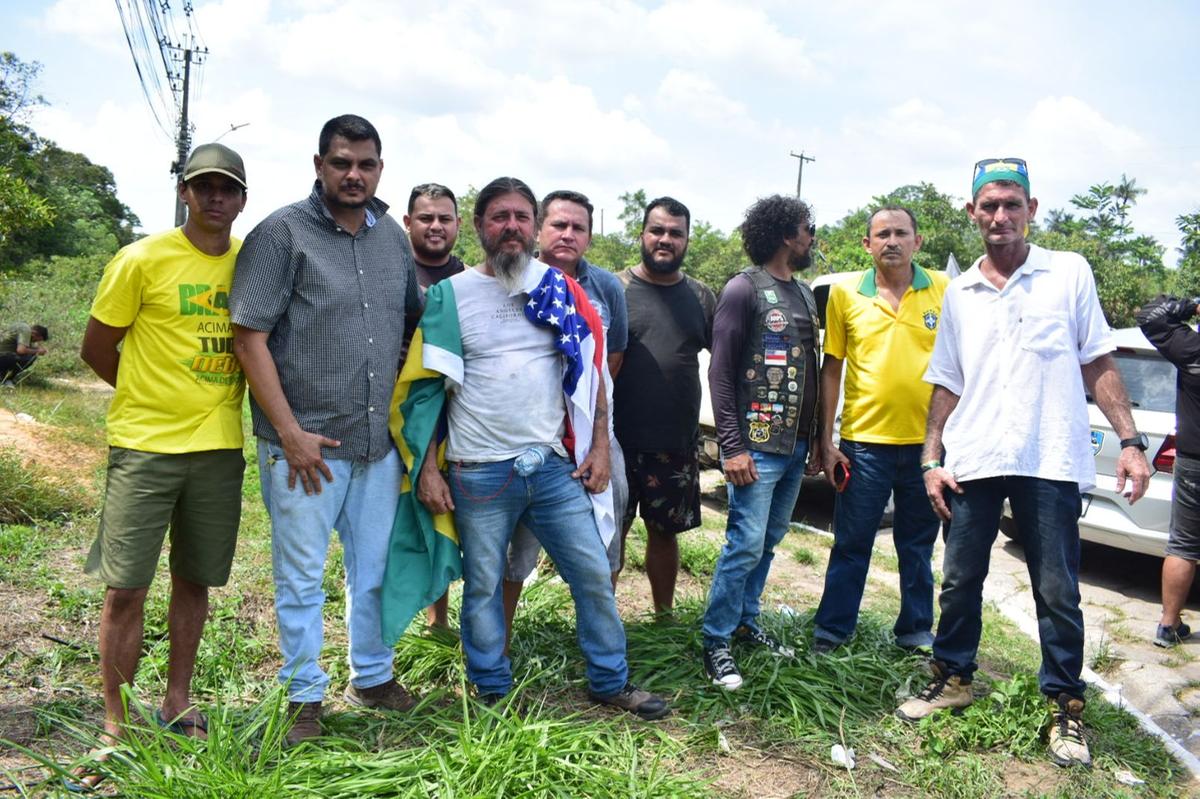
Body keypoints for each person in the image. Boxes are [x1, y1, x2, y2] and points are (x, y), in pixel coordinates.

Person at [897, 158, 1151, 769]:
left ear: (1033, 210)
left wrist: (1132, 441)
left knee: (1058, 589)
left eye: (1013, 204)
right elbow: (947, 380)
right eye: (989, 205)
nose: (1001, 216)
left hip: (1050, 456)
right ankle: (954, 678)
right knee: (959, 580)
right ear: (972, 213)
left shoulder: (1068, 273)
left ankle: (1065, 705)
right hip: (976, 457)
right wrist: (932, 456)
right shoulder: (959, 293)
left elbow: (1098, 360)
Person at [409, 176, 668, 718]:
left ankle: (609, 680)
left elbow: (593, 374)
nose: (511, 226)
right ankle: (492, 687)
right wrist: (427, 469)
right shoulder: (449, 296)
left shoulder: (559, 289)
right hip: (479, 472)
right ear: (479, 227)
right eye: (499, 216)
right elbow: (428, 391)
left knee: (594, 572)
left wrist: (599, 445)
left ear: (533, 227)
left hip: (552, 467)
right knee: (483, 584)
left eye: (521, 217)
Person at [230, 115, 422, 746]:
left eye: (365, 164)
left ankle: (371, 675)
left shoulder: (392, 238)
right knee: (302, 576)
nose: (353, 175)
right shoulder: (281, 234)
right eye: (341, 163)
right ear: (319, 164)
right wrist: (287, 430)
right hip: (305, 446)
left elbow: (411, 328)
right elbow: (249, 336)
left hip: (375, 446)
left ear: (380, 168)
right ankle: (303, 696)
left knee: (372, 570)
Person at [76, 143, 249, 788]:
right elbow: (98, 346)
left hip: (218, 448)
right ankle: (115, 723)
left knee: (194, 580)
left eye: (226, 189)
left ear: (241, 200)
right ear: (184, 191)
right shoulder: (141, 259)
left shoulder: (250, 263)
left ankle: (177, 701)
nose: (213, 198)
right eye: (203, 186)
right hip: (145, 447)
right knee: (125, 588)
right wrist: (146, 396)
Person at [811, 206, 949, 653]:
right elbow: (832, 368)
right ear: (867, 244)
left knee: (918, 546)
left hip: (927, 448)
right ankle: (832, 631)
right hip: (863, 445)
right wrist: (826, 439)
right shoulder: (844, 294)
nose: (892, 241)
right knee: (852, 543)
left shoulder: (945, 291)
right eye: (882, 234)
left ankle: (914, 631)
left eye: (901, 233)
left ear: (918, 241)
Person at [501, 189, 629, 648]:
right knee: (516, 549)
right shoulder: (513, 278)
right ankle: (501, 640)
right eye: (559, 225)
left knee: (606, 540)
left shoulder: (606, 288)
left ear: (590, 237)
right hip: (527, 437)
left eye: (579, 227)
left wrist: (592, 432)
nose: (568, 235)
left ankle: (598, 643)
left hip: (594, 433)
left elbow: (610, 361)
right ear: (539, 228)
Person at [701, 194, 819, 689]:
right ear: (787, 235)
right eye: (807, 228)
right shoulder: (743, 289)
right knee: (744, 544)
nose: (813, 237)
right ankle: (715, 640)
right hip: (756, 445)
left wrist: (813, 441)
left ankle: (746, 621)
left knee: (768, 542)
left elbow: (811, 369)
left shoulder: (807, 293)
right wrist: (732, 446)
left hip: (793, 447)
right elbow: (721, 371)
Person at [613, 197, 716, 613]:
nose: (665, 239)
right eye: (657, 230)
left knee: (664, 534)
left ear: (687, 239)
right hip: (613, 442)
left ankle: (664, 617)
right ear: (642, 235)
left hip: (674, 442)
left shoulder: (702, 296)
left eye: (675, 233)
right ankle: (601, 624)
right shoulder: (613, 288)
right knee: (609, 536)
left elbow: (726, 365)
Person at [402, 182, 466, 628]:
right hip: (401, 409)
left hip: (457, 412)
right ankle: (408, 612)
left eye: (445, 218)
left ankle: (439, 619)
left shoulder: (470, 279)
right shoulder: (394, 271)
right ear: (408, 223)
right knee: (407, 512)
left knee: (448, 511)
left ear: (459, 225)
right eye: (426, 218)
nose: (436, 226)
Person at [1135, 295, 1200, 647]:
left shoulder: (1191, 348)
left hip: (1194, 462)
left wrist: (1192, 304)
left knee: (1184, 546)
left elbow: (1149, 314)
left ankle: (1168, 625)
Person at [0, 322, 48, 386]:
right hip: (3, 356)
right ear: (35, 334)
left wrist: (35, 348)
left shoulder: (20, 326)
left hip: (4, 355)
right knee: (32, 357)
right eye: (36, 340)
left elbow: (17, 346)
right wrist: (38, 351)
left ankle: (3, 376)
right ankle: (6, 379)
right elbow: (21, 350)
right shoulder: (26, 330)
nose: (34, 342)